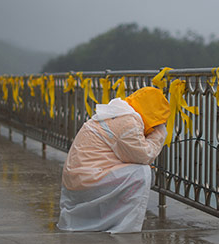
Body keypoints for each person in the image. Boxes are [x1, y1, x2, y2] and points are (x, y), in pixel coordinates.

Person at [58, 86, 170, 234]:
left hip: (79, 179)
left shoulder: (116, 113)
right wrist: (160, 132)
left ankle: (109, 217)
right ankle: (121, 223)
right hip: (88, 181)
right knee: (141, 172)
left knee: (138, 170)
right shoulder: (128, 122)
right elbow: (144, 156)